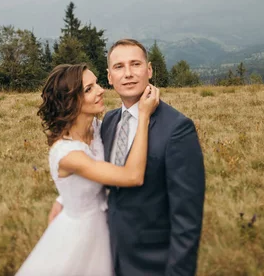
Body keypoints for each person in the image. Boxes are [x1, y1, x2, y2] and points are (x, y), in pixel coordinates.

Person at [48, 39, 206, 276]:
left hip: (152, 261)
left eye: (135, 64)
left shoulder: (177, 129)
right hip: (107, 251)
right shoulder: (108, 122)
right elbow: (89, 162)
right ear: (110, 77)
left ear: (149, 70)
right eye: (119, 67)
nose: (128, 74)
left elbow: (187, 220)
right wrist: (65, 197)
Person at [16, 63, 160, 276]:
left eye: (97, 84)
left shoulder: (95, 127)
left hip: (103, 226)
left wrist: (63, 198)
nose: (101, 90)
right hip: (80, 236)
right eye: (89, 89)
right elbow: (132, 176)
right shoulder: (69, 154)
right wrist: (144, 116)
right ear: (71, 102)